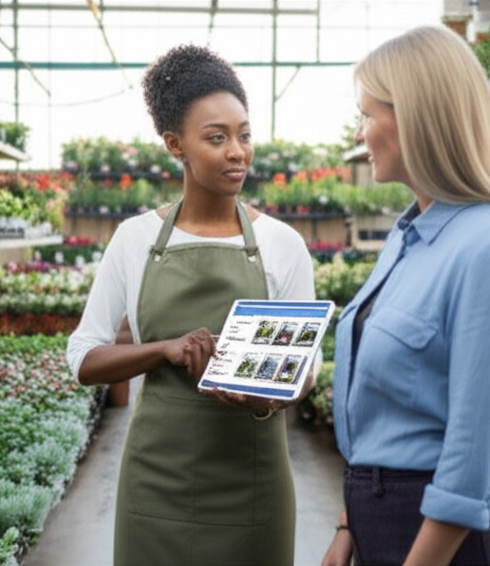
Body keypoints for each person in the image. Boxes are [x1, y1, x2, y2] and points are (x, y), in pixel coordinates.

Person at [65, 44, 316, 566]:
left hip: (253, 483)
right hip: (156, 484)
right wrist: (164, 350)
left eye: (244, 135)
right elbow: (84, 357)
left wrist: (263, 395)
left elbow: (305, 368)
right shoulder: (135, 239)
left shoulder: (282, 244)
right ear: (175, 144)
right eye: (217, 138)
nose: (237, 152)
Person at [320, 26, 490, 566]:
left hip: (442, 544)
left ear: (415, 117)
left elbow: (473, 455)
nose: (360, 132)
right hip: (380, 526)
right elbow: (380, 414)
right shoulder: (408, 236)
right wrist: (348, 526)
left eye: (368, 115)